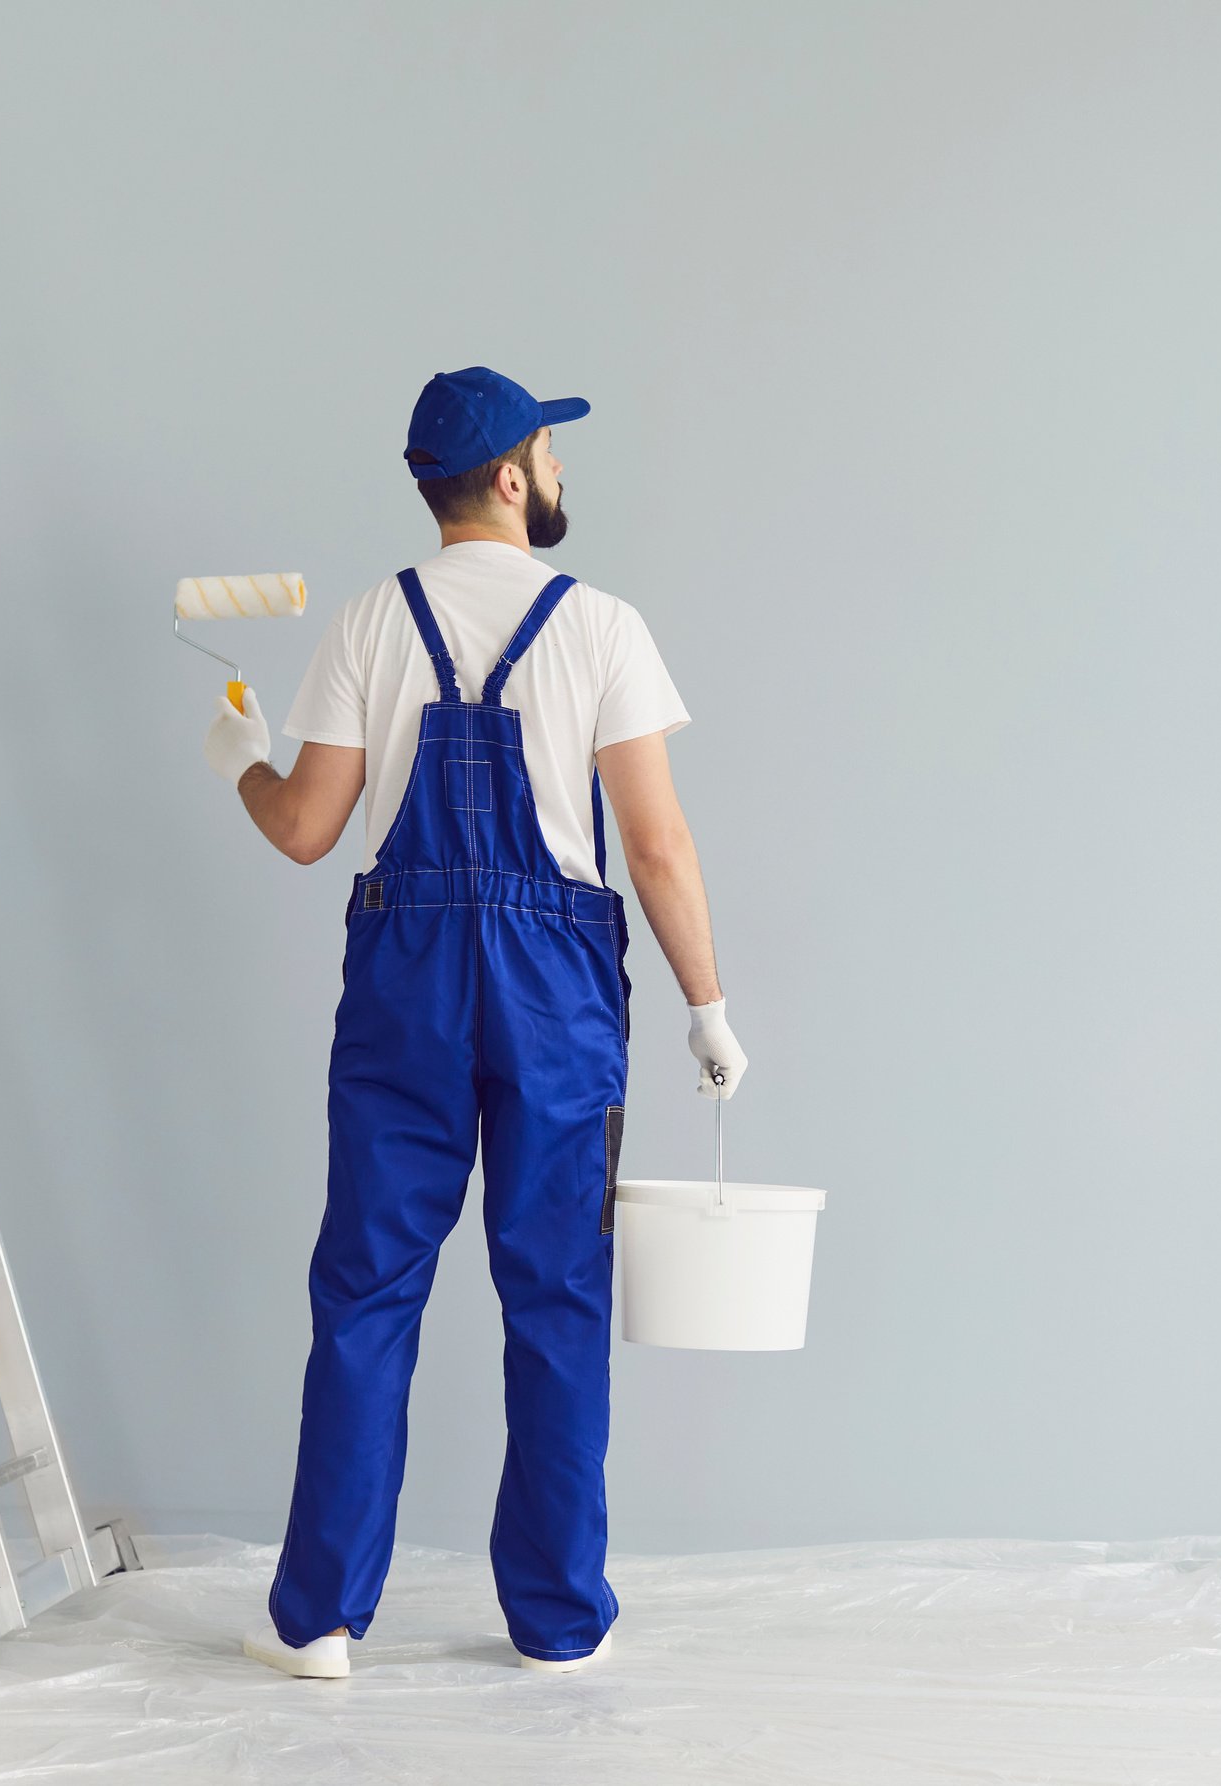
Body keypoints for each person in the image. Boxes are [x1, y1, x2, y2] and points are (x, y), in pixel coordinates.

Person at [203, 366, 747, 1677]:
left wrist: (239, 760)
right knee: (556, 1289)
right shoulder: (603, 626)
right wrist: (709, 1007)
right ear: (511, 475)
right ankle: (558, 1620)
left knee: (367, 1289)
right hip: (556, 987)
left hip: (406, 974)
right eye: (550, 451)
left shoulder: (367, 623)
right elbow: (659, 847)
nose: (560, 469)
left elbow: (305, 829)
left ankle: (322, 1617)